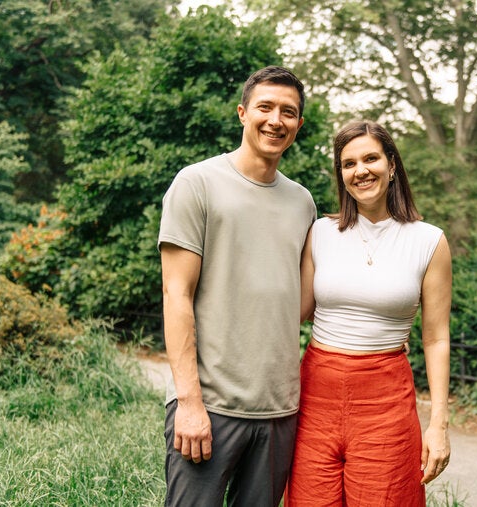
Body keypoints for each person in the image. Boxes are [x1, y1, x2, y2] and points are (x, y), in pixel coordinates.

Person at [157, 66, 316, 507]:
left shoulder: (303, 202)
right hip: (210, 405)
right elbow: (176, 295)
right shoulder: (197, 183)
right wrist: (189, 402)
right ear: (243, 113)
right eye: (265, 107)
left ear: (299, 126)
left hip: (279, 411)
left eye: (288, 112)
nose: (276, 120)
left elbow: (298, 305)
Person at [287, 120, 452, 506]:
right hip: (315, 397)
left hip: (386, 403)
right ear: (341, 174)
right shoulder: (320, 233)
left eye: (371, 158)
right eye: (348, 163)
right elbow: (293, 312)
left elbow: (436, 337)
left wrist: (439, 425)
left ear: (391, 164)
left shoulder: (429, 241)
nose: (360, 170)